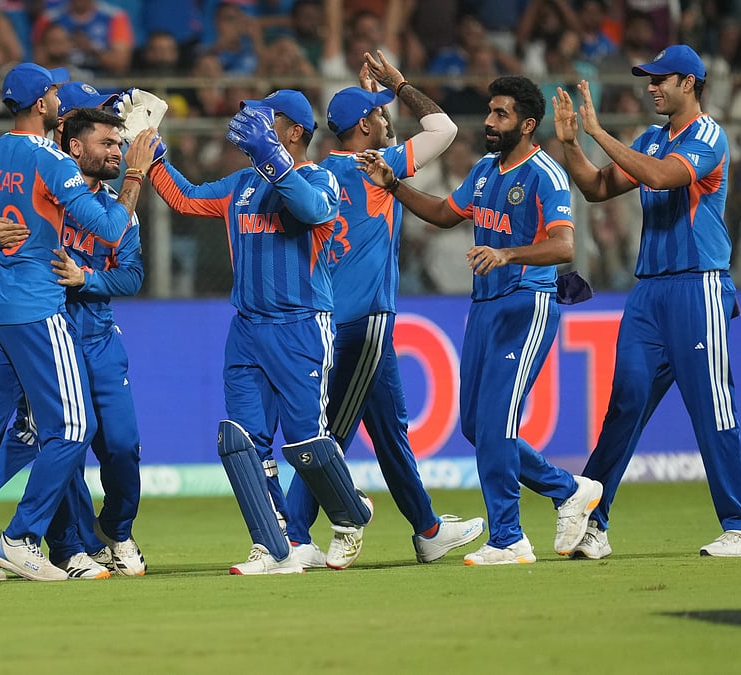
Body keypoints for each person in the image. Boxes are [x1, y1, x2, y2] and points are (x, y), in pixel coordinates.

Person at [361, 75, 603, 566]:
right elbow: (446, 214)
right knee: (476, 425)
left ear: (527, 125)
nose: (489, 122)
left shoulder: (546, 175)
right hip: (486, 309)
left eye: (501, 115)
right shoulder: (486, 169)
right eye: (490, 112)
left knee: (494, 425)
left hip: (526, 305)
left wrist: (507, 253)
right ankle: (569, 490)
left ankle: (509, 538)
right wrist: (395, 186)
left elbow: (564, 246)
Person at [0, 62, 160, 582]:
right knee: (72, 426)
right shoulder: (53, 162)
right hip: (36, 308)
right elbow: (110, 226)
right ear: (42, 105)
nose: (59, 100)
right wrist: (134, 173)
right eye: (55, 94)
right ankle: (21, 539)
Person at [552, 45, 741, 558]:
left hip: (700, 285)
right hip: (649, 290)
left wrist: (599, 133)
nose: (651, 87)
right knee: (624, 405)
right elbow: (597, 188)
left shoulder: (709, 136)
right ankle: (594, 525)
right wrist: (572, 145)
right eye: (648, 79)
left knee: (711, 407)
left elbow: (662, 176)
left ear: (689, 83)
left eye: (660, 79)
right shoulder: (650, 137)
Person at [150, 89, 372, 575]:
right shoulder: (241, 184)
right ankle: (274, 545)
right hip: (247, 327)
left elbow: (314, 211)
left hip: (301, 326)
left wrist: (271, 157)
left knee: (303, 442)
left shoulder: (324, 177)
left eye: (266, 117)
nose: (251, 122)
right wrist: (150, 154)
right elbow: (184, 199)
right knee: (243, 440)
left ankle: (350, 515)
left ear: (294, 131)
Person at [282, 50, 484, 570]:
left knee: (391, 432)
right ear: (365, 130)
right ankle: (294, 534)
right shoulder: (380, 167)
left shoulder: (317, 173)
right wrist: (400, 83)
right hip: (364, 321)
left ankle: (428, 530)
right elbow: (442, 129)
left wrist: (366, 103)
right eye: (377, 113)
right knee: (328, 435)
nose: (386, 116)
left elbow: (358, 128)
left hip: (333, 316)